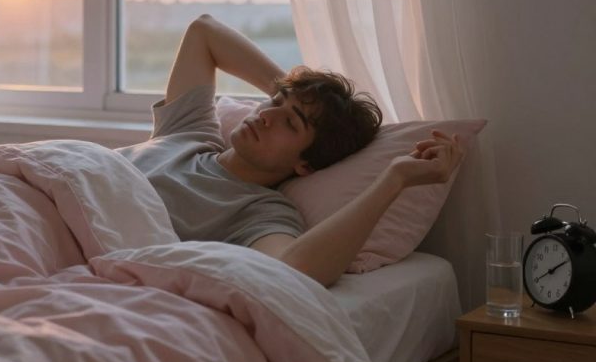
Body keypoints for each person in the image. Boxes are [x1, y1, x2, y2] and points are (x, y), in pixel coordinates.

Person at [116, 14, 464, 288]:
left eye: (291, 123)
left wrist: (395, 179)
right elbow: (203, 31)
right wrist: (296, 91)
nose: (266, 116)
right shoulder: (191, 131)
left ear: (305, 166)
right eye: (274, 101)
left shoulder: (260, 212)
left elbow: (294, 269)